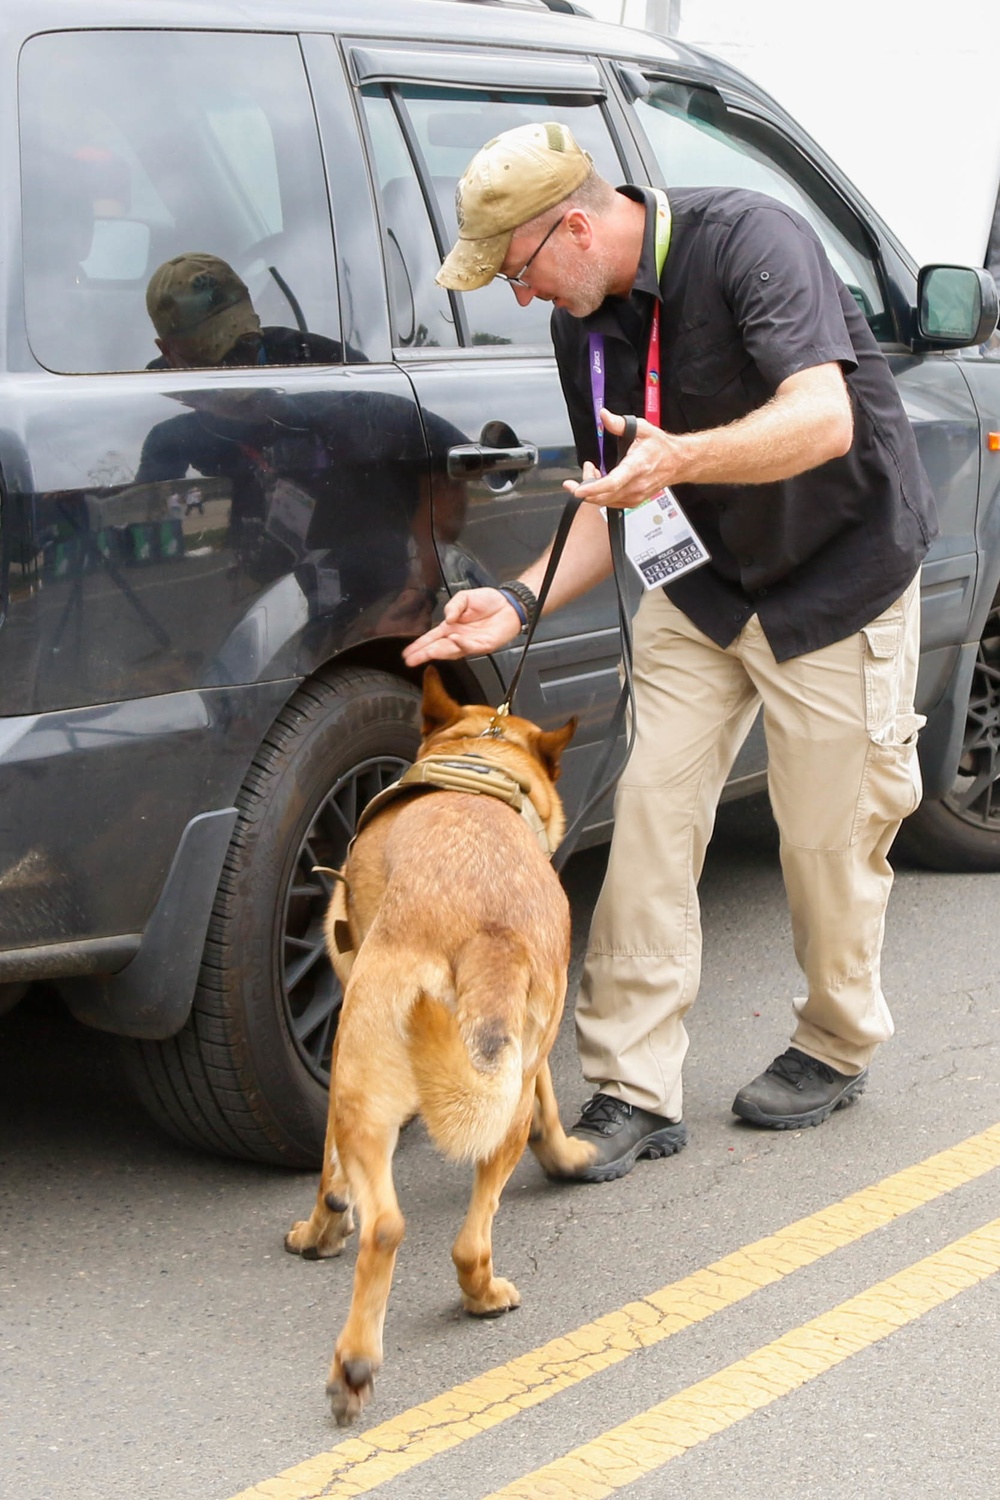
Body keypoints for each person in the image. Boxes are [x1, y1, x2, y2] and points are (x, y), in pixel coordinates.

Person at [403, 121, 937, 1183]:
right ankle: (633, 1084)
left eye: (517, 270)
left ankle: (834, 1042)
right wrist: (514, 600)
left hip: (837, 580)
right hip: (702, 590)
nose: (519, 296)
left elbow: (822, 418)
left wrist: (682, 457)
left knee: (826, 841)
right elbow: (616, 502)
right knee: (649, 810)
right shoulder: (585, 323)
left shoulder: (750, 243)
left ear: (573, 226)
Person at [144, 251, 345, 369]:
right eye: (218, 360)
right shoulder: (151, 403)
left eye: (246, 342)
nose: (238, 366)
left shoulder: (332, 365)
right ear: (168, 352)